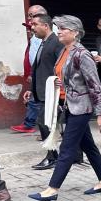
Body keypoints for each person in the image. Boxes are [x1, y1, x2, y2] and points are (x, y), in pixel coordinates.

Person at [28, 15, 101, 201]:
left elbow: (94, 85)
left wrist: (100, 114)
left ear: (75, 32)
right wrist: (59, 82)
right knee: (88, 145)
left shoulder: (82, 54)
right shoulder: (65, 50)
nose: (59, 30)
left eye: (63, 28)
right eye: (59, 27)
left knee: (66, 148)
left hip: (82, 107)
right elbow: (67, 75)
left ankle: (52, 189)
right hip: (69, 105)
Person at [26, 13, 64, 170]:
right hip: (42, 91)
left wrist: (61, 89)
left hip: (53, 91)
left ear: (46, 26)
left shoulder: (56, 42)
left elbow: (61, 67)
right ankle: (73, 155)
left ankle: (52, 157)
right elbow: (38, 69)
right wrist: (31, 90)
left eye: (35, 24)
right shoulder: (42, 43)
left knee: (44, 122)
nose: (32, 28)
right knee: (51, 123)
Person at [11, 5, 48, 134]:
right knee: (35, 99)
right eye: (29, 16)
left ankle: (42, 129)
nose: (29, 20)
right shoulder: (35, 36)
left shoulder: (51, 37)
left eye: (31, 16)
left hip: (44, 75)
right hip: (36, 73)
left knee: (42, 101)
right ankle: (34, 126)